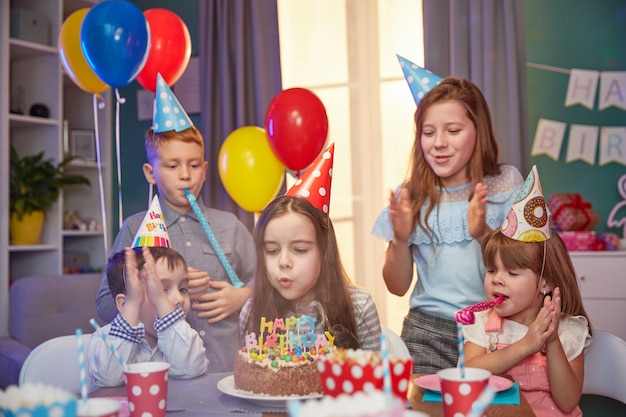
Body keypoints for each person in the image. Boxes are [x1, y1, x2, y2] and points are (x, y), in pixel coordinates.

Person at [95, 74, 256, 372]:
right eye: (172, 165)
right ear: (150, 173)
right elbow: (106, 302)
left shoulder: (230, 226)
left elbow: (266, 282)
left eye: (194, 165)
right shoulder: (134, 229)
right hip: (160, 370)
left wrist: (243, 296)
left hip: (228, 365)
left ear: (205, 170)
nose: (185, 175)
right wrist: (157, 292)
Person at [371, 76, 524, 373]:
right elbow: (397, 286)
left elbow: (523, 271)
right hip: (425, 333)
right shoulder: (411, 196)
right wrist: (400, 240)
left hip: (493, 331)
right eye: (428, 132)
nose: (439, 143)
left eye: (453, 130)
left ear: (477, 132)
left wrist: (483, 235)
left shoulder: (505, 184)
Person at [463, 166, 591, 417]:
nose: (497, 280)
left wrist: (550, 340)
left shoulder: (569, 330)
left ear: (544, 282)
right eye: (491, 270)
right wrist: (527, 345)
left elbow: (567, 401)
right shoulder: (483, 324)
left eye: (511, 273)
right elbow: (468, 374)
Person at [241, 145, 382, 349]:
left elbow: (373, 378)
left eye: (299, 250)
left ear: (324, 250)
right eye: (272, 250)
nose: (283, 262)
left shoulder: (359, 307)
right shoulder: (252, 313)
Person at [89, 220, 208, 387]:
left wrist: (161, 302)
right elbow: (108, 377)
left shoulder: (183, 338)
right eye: (161, 290)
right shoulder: (105, 339)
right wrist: (132, 306)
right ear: (124, 304)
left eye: (182, 289)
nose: (179, 299)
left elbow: (191, 369)